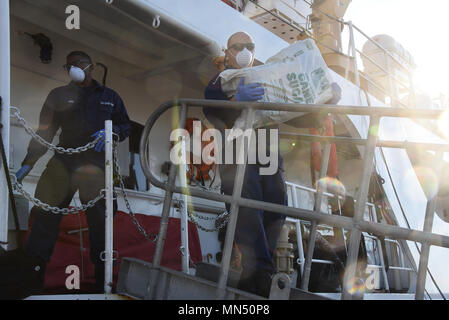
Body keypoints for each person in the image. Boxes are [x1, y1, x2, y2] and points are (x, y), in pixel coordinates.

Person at [11, 50, 130, 295]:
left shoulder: (110, 97)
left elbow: (125, 125)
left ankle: (102, 286)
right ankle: (30, 283)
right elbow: (45, 132)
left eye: (77, 64)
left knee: (101, 224)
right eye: (68, 66)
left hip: (96, 165)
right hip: (64, 160)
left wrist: (112, 132)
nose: (73, 68)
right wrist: (29, 162)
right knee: (44, 215)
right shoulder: (59, 95)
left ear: (91, 66)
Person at [204, 32, 287, 297]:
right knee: (246, 205)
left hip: (267, 149)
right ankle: (261, 271)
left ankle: (254, 274)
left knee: (276, 207)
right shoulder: (221, 80)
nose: (243, 51)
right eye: (237, 47)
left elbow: (294, 111)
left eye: (249, 47)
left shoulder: (268, 78)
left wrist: (324, 100)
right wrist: (235, 100)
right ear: (227, 52)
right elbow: (210, 106)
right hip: (237, 149)